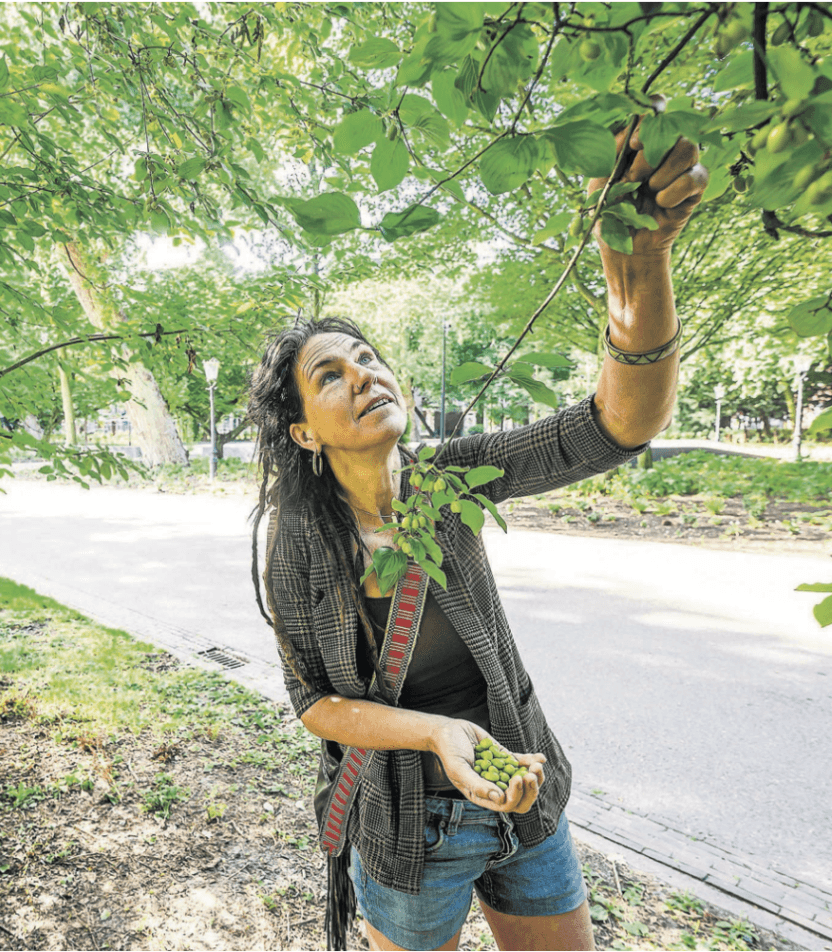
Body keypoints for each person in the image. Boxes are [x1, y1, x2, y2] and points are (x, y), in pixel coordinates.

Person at [247, 114, 707, 952]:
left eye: (368, 358)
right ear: (304, 431)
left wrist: (637, 266)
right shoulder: (299, 543)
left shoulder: (451, 479)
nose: (364, 376)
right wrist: (438, 733)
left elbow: (615, 427)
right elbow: (315, 705)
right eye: (331, 375)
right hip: (405, 832)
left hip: (525, 800)